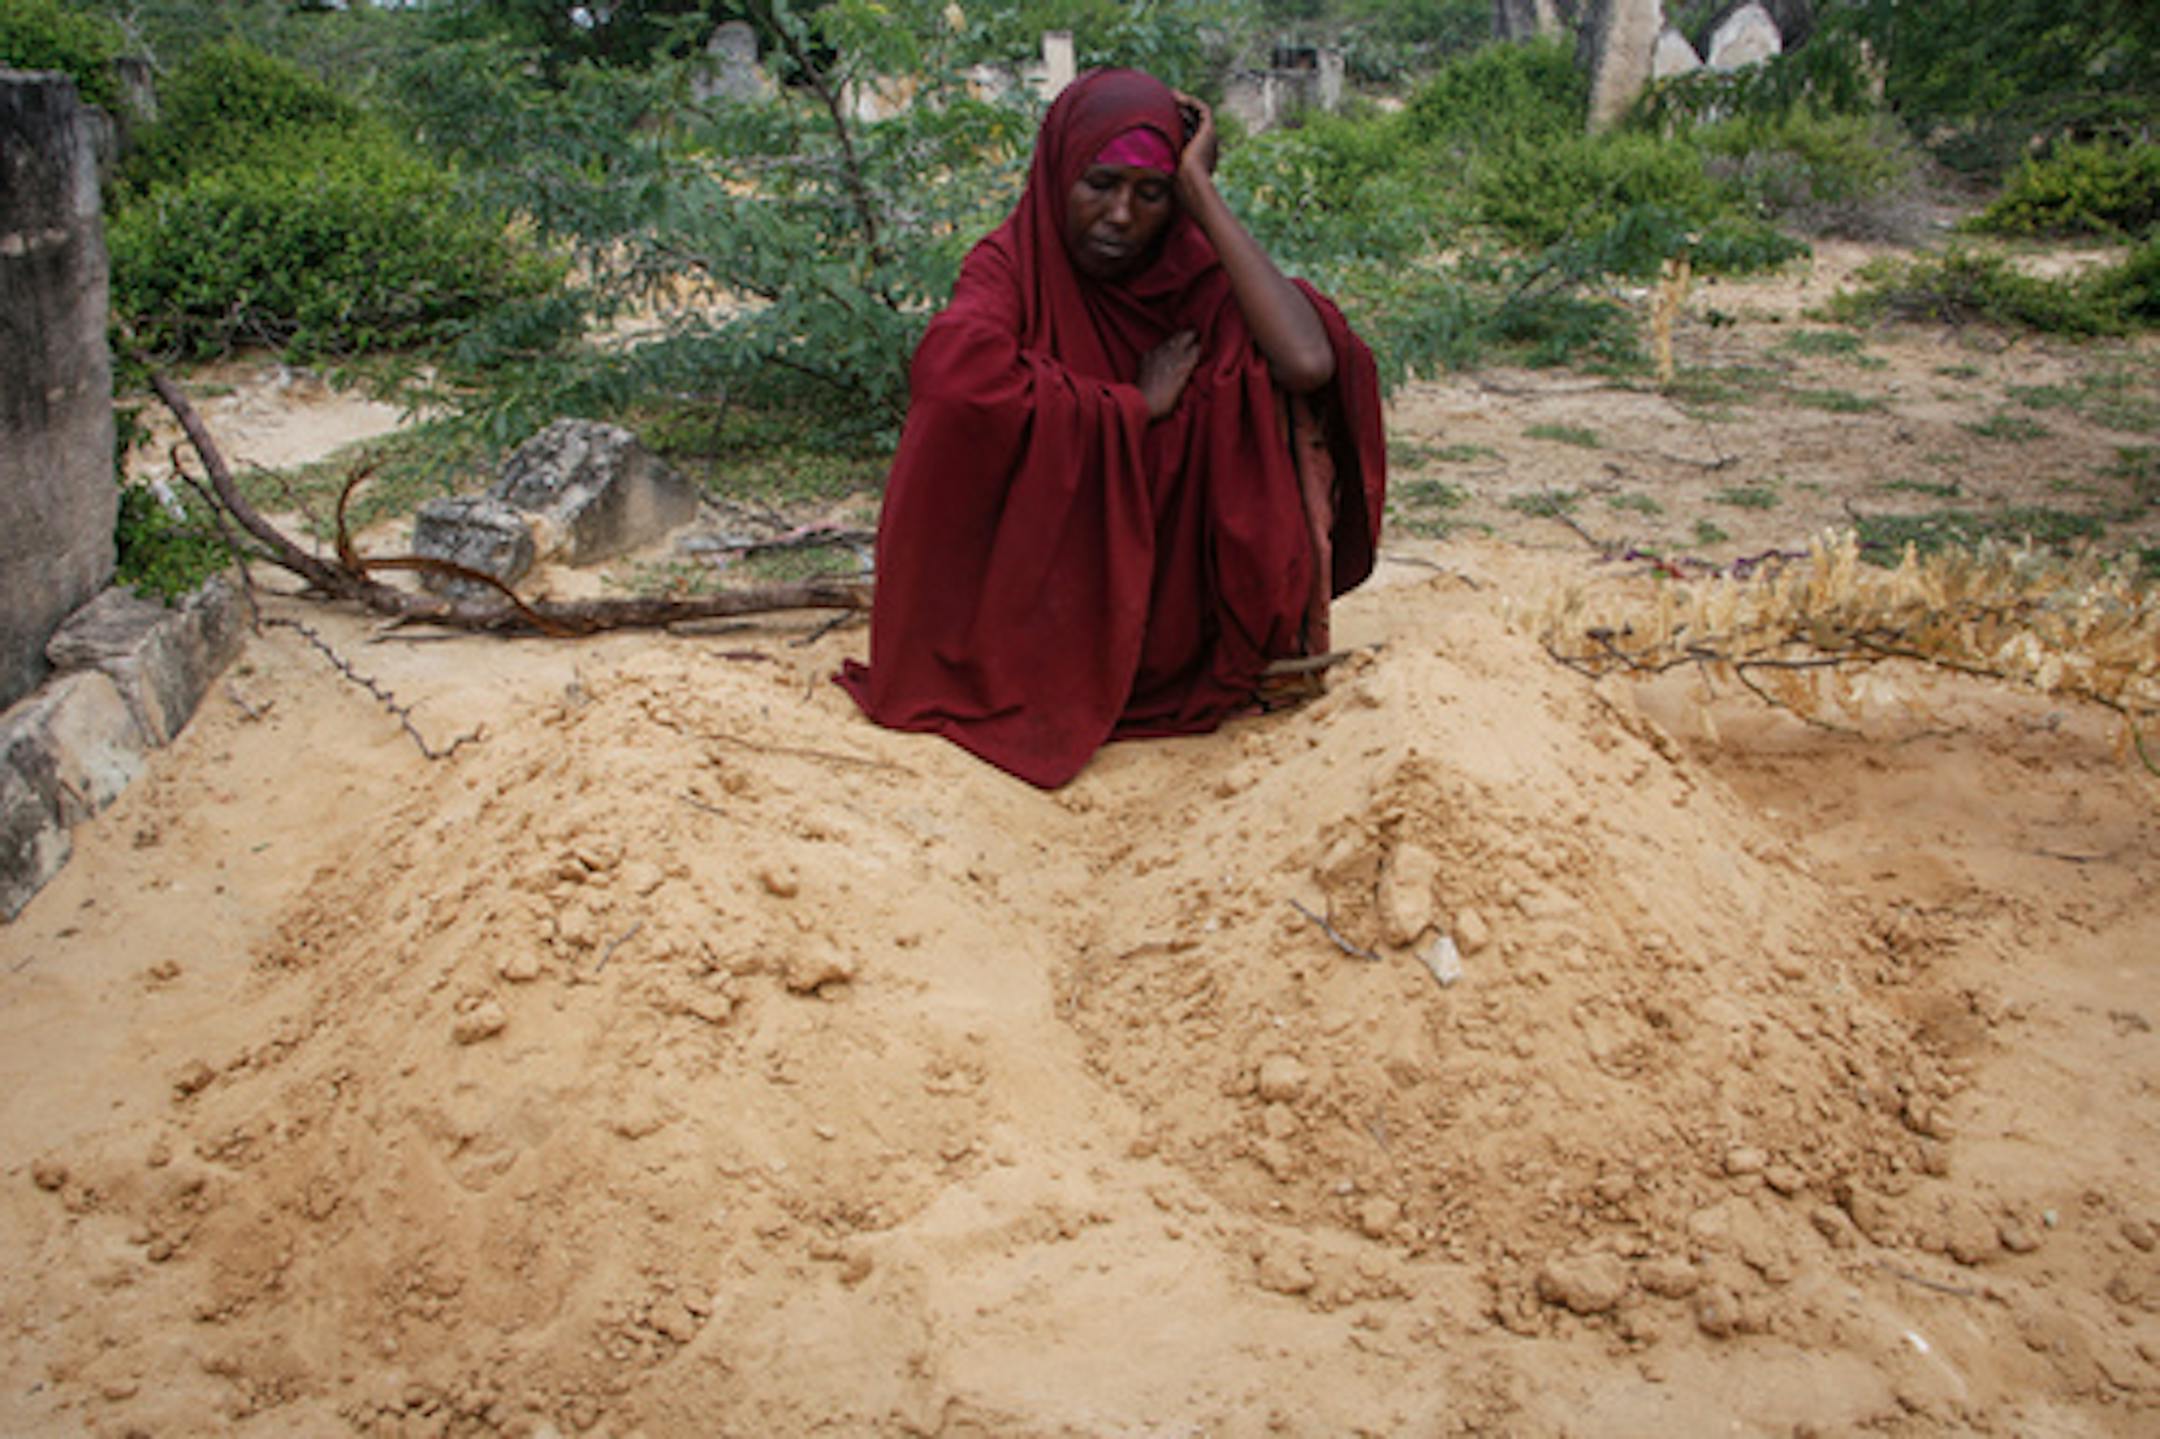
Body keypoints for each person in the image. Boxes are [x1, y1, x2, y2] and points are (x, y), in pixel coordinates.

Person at [837, 67, 1386, 788]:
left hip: (1175, 614)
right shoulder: (1012, 264)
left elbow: (1308, 360)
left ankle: (1263, 651)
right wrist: (1129, 406)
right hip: (1042, 600)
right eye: (1100, 184)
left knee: (1250, 368)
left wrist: (1201, 191)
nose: (1121, 215)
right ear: (1061, 168)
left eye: (1150, 193)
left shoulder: (1186, 271)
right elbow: (952, 379)